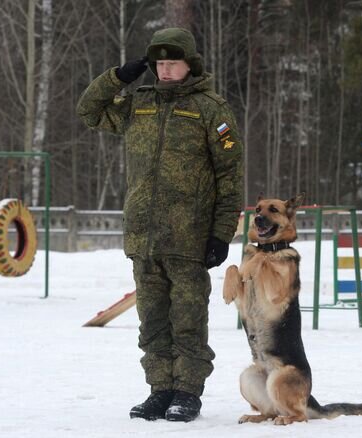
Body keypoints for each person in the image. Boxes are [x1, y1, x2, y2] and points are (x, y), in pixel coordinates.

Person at [76, 28, 243, 422]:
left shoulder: (210, 109)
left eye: (173, 62)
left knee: (187, 320)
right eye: (160, 64)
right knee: (151, 322)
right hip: (143, 236)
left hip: (190, 237)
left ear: (190, 64)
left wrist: (221, 233)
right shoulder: (138, 104)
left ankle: (187, 392)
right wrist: (118, 76)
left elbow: (230, 177)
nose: (166, 70)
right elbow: (89, 110)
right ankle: (160, 389)